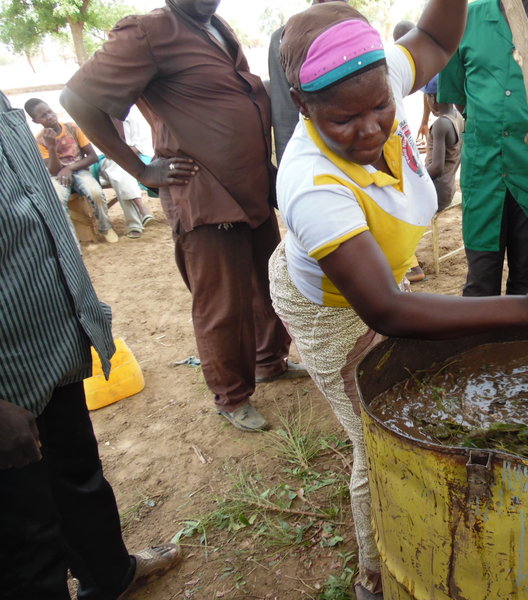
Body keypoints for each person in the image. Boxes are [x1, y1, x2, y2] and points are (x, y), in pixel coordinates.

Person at [271, 3, 528, 598]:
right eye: (345, 120)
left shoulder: (370, 77)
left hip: (378, 274)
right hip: (331, 308)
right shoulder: (311, 186)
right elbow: (388, 313)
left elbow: (439, 35)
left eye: (381, 108)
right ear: (302, 101)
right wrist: (526, 307)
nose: (371, 130)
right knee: (373, 434)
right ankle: (374, 576)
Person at [60, 0, 305, 434]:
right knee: (222, 304)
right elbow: (78, 99)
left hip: (250, 187)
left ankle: (270, 361)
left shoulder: (217, 27)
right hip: (206, 195)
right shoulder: (149, 31)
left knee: (267, 283)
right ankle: (232, 396)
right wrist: (140, 169)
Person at [0, 90, 180, 600]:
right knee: (24, 542)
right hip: (4, 386)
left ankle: (110, 576)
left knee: (79, 477)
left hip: (49, 344)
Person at [438, 0, 528, 298]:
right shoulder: (465, 19)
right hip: (484, 169)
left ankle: (522, 345)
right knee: (481, 279)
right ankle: (481, 345)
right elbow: (456, 97)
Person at [24, 98, 119, 243]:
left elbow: (93, 157)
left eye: (49, 111)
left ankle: (105, 227)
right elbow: (54, 170)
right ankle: (72, 241)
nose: (49, 116)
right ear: (35, 121)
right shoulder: (40, 140)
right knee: (56, 200)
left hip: (80, 170)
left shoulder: (72, 128)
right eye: (43, 116)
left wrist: (69, 168)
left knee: (95, 193)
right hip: (58, 176)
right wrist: (51, 147)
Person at [269, 0, 347, 166]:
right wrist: (289, 169)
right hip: (315, 162)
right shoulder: (283, 39)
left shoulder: (358, 30)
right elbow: (285, 116)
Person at [423, 74, 464, 212]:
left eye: (427, 96)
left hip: (436, 191)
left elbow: (436, 167)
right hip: (448, 188)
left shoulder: (441, 124)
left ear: (433, 98)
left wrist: (414, 181)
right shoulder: (457, 116)